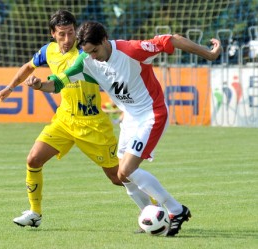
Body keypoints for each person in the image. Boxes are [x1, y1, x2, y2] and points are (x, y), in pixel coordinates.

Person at [25, 21, 221, 236]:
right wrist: (40, 86)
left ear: (104, 40)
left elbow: (171, 39)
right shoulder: (86, 60)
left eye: (95, 50)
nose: (92, 57)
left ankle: (176, 210)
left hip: (151, 113)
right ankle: (150, 215)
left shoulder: (130, 50)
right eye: (87, 52)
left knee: (127, 170)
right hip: (130, 117)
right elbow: (59, 82)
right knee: (123, 176)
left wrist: (209, 54)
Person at [0, 10, 153, 229]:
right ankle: (35, 213)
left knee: (118, 176)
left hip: (93, 125)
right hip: (65, 121)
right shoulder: (48, 51)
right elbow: (29, 66)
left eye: (71, 33)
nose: (67, 39)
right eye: (62, 34)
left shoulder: (87, 53)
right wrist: (10, 87)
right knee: (33, 159)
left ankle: (154, 210)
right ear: (53, 34)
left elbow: (116, 75)